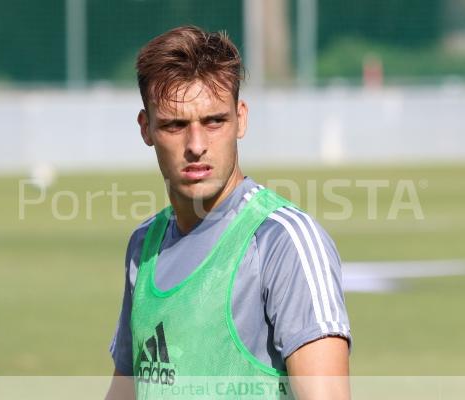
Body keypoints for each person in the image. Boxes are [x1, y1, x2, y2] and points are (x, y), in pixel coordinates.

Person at [105, 25, 351, 400]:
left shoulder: (284, 241)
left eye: (214, 121)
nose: (196, 145)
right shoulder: (145, 245)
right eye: (175, 125)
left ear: (241, 118)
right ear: (146, 129)